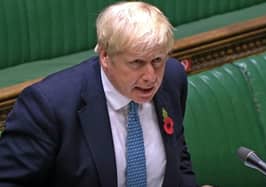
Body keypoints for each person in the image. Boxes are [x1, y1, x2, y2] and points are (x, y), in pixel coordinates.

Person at [0, 1, 197, 187]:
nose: (150, 77)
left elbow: (178, 158)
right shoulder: (48, 105)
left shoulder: (172, 77)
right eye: (136, 63)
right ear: (105, 56)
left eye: (157, 60)